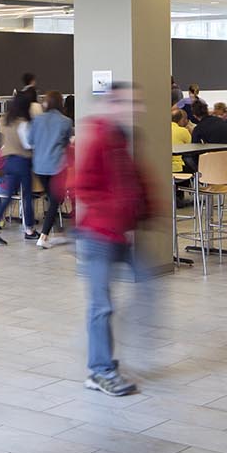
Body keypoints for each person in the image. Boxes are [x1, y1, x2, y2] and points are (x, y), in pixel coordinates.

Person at [68, 82, 152, 396]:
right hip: (98, 234)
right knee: (101, 305)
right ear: (114, 104)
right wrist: (114, 212)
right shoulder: (100, 138)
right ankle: (99, 370)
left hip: (119, 233)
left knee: (147, 286)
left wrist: (143, 211)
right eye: (130, 103)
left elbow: (133, 180)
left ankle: (99, 350)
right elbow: (82, 186)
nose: (137, 109)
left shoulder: (122, 138)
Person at [0, 90, 38, 245]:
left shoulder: (6, 120)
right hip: (23, 161)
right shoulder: (24, 123)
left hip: (10, 162)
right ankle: (29, 229)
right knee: (26, 196)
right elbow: (28, 143)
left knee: (8, 197)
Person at [30, 90, 75, 248]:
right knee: (55, 200)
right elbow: (66, 143)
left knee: (52, 198)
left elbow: (30, 141)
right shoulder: (66, 121)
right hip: (56, 166)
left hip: (39, 167)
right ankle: (44, 236)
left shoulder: (37, 120)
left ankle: (58, 231)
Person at [171, 109, 192, 174]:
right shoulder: (183, 131)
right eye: (186, 119)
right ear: (182, 120)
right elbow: (192, 147)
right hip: (177, 167)